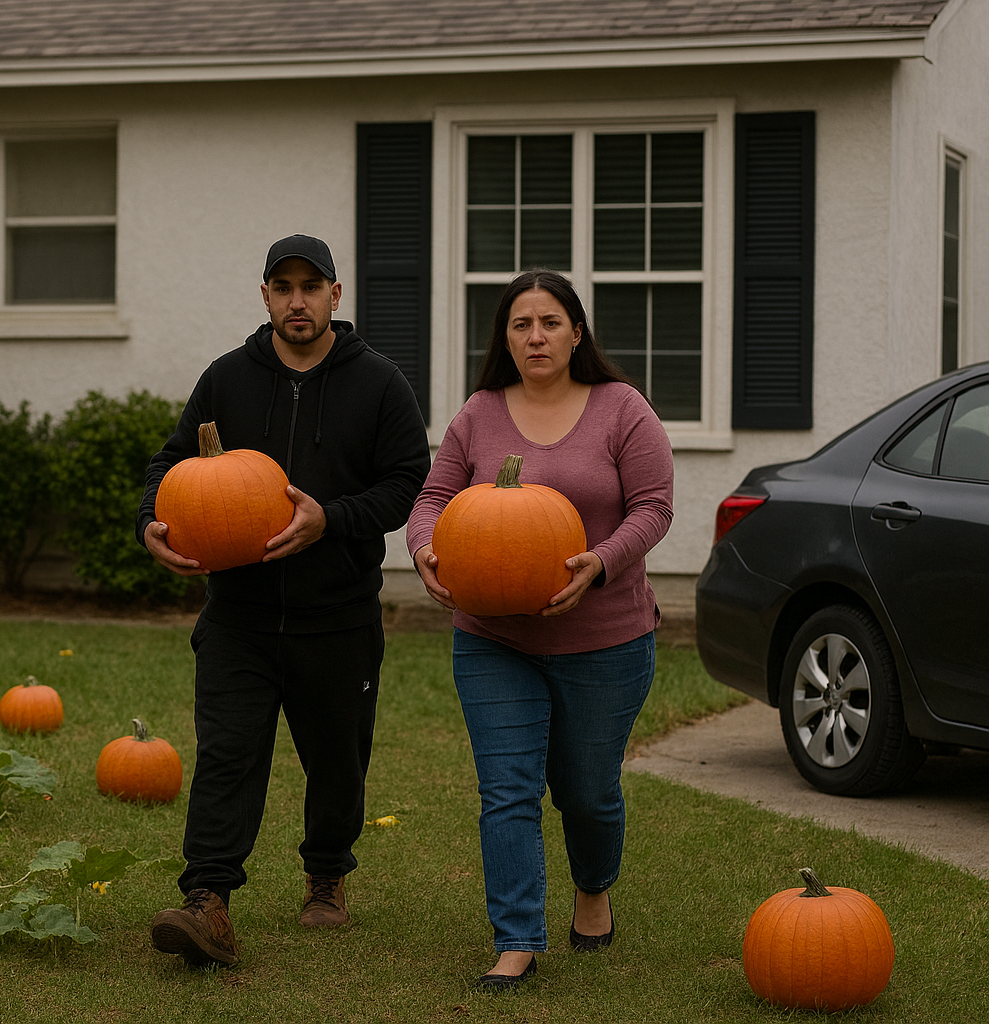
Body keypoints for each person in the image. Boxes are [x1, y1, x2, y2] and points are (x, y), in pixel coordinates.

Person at [137, 234, 431, 966]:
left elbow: (405, 483)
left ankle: (326, 874)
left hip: (339, 617)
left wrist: (330, 517)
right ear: (264, 295)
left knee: (336, 760)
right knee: (228, 756)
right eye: (282, 286)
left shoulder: (380, 383)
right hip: (237, 616)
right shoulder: (227, 379)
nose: (296, 300)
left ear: (336, 295)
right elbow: (170, 464)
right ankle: (208, 899)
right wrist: (152, 523)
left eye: (311, 286)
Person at [406, 270, 672, 991]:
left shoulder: (622, 409)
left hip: (606, 639)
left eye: (550, 322)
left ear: (577, 332)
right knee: (507, 789)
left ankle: (593, 889)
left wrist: (601, 562)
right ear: (505, 339)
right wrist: (424, 549)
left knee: (587, 792)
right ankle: (517, 938)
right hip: (494, 637)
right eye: (520, 324)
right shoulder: (480, 414)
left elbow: (653, 507)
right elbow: (434, 497)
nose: (535, 336)